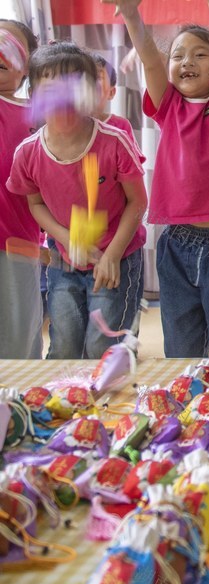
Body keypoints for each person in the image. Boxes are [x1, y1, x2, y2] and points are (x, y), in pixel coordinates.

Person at [110, 0, 209, 358]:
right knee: (181, 345)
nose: (187, 62)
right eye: (178, 56)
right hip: (177, 244)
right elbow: (150, 59)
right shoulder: (169, 106)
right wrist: (131, 14)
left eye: (199, 55)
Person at [7, 42, 146, 359]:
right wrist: (66, 238)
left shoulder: (114, 140)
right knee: (65, 345)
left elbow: (137, 202)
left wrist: (112, 254)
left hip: (116, 256)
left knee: (103, 347)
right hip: (65, 258)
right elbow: (36, 205)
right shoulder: (28, 152)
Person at [0, 19, 42, 359]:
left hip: (15, 244)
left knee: (18, 341)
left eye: (10, 46)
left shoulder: (35, 115)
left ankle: (22, 405)